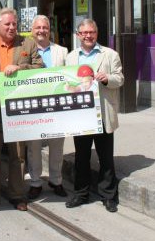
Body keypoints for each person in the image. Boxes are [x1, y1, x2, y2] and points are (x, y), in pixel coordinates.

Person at [0, 8, 44, 212]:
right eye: (7, 24)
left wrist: (20, 69)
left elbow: (40, 68)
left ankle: (17, 195)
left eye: (14, 24)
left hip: (17, 109)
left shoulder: (28, 43)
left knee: (18, 155)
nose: (11, 27)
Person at [64, 19, 124, 213]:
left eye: (92, 32)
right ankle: (81, 194)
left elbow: (120, 78)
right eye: (84, 33)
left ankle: (108, 196)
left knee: (105, 157)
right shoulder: (71, 58)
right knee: (81, 157)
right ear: (78, 35)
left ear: (97, 34)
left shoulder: (110, 54)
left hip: (103, 113)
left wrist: (107, 78)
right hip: (81, 115)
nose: (88, 36)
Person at [27, 15, 69, 200]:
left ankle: (56, 180)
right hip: (32, 106)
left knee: (57, 146)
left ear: (49, 29)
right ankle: (35, 182)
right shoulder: (24, 49)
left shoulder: (62, 51)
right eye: (38, 28)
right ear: (32, 30)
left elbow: (69, 75)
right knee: (33, 147)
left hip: (56, 107)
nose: (41, 31)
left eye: (45, 27)